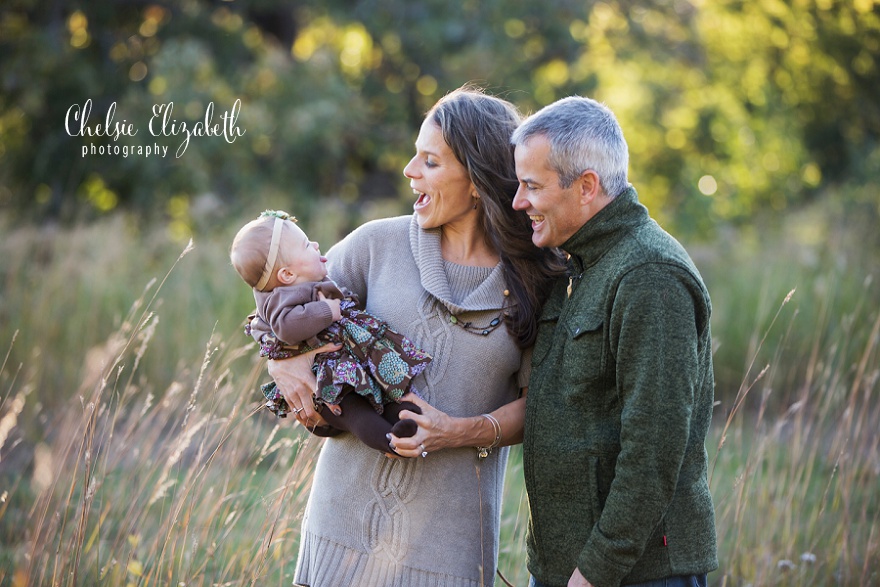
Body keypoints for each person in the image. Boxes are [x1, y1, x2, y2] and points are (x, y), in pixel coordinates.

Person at [266, 86, 566, 586]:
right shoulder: (374, 245)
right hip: (340, 534)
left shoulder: (537, 280)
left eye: (429, 161)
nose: (409, 170)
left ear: (475, 181)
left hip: (449, 552)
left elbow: (541, 407)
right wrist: (283, 361)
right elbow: (277, 305)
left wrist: (458, 431)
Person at [511, 96, 718, 587]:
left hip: (634, 575)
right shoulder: (579, 265)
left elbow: (653, 450)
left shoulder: (650, 275)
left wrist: (595, 572)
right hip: (576, 569)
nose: (520, 202)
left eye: (532, 186)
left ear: (586, 187)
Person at [230, 209, 431, 454]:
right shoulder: (278, 299)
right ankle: (390, 443)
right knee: (356, 414)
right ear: (287, 274)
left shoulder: (302, 283)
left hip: (341, 368)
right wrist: (329, 310)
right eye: (306, 246)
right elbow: (286, 327)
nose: (315, 245)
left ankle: (407, 422)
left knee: (380, 398)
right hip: (325, 380)